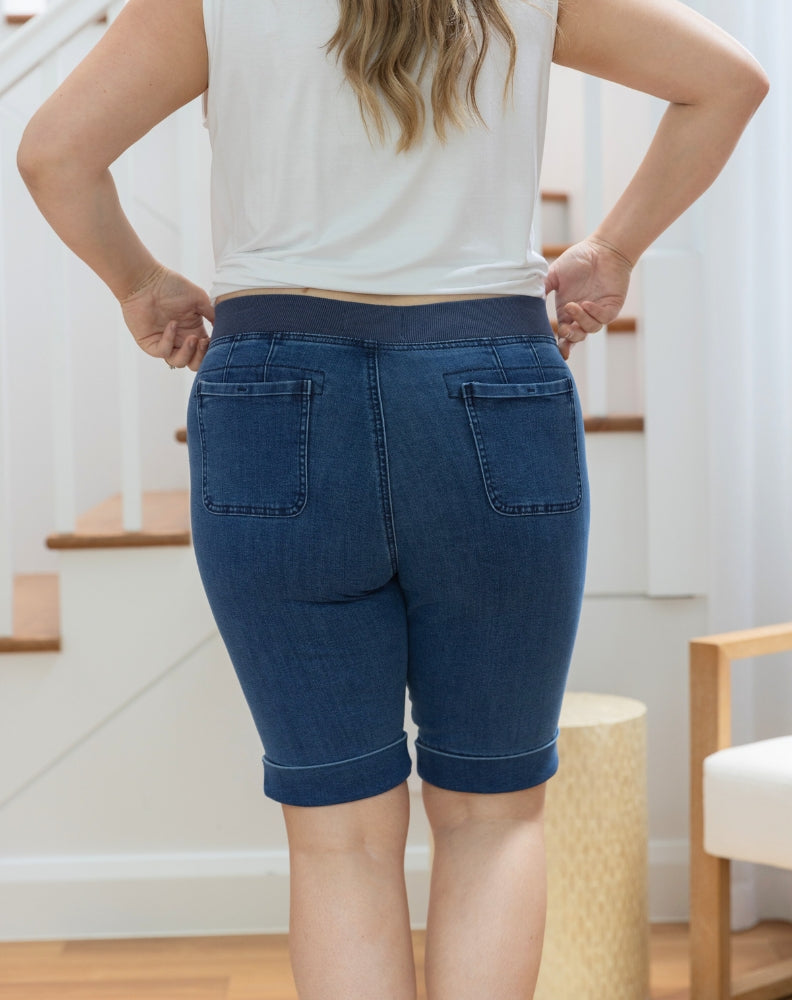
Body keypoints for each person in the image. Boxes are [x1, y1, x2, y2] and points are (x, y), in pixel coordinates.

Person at [16, 0, 767, 997]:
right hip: (491, 387)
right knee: (493, 814)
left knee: (339, 838)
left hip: (271, 393)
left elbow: (53, 154)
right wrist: (615, 249)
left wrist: (141, 282)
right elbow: (731, 80)